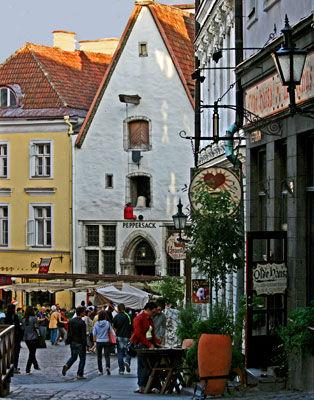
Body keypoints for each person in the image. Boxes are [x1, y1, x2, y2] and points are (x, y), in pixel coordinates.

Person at [130, 302, 161, 394]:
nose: (154, 314)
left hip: (149, 342)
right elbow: (139, 334)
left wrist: (156, 343)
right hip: (142, 344)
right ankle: (142, 385)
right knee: (145, 366)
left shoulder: (150, 319)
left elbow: (152, 333)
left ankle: (147, 385)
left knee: (147, 365)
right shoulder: (138, 319)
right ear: (148, 310)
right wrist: (149, 344)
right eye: (153, 312)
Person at [62, 306, 87, 379]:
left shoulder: (71, 321)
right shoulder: (82, 323)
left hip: (73, 341)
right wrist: (85, 344)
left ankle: (67, 364)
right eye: (84, 312)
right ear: (81, 313)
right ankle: (80, 374)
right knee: (82, 358)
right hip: (80, 343)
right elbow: (83, 335)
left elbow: (69, 332)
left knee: (73, 356)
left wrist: (68, 340)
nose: (84, 313)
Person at [93, 310, 115, 375]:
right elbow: (112, 332)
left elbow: (94, 333)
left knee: (99, 356)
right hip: (106, 340)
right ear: (105, 316)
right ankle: (107, 367)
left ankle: (100, 370)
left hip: (99, 341)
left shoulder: (96, 323)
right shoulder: (108, 323)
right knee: (107, 356)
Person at [113, 303, 132, 374]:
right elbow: (131, 326)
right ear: (124, 308)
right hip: (127, 336)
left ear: (118, 309)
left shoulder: (116, 317)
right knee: (128, 351)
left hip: (119, 336)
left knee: (120, 353)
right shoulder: (128, 316)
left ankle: (121, 369)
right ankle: (127, 361)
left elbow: (114, 326)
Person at [5, 303, 24, 373]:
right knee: (15, 352)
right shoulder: (14, 316)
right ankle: (14, 366)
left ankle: (8, 366)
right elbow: (17, 326)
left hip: (7, 337)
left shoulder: (6, 316)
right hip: (15, 336)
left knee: (7, 352)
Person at [22, 306, 40, 374]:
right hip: (33, 337)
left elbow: (22, 328)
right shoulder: (34, 318)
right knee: (32, 353)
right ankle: (28, 368)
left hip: (26, 337)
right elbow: (36, 327)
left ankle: (35, 365)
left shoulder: (23, 319)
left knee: (31, 352)